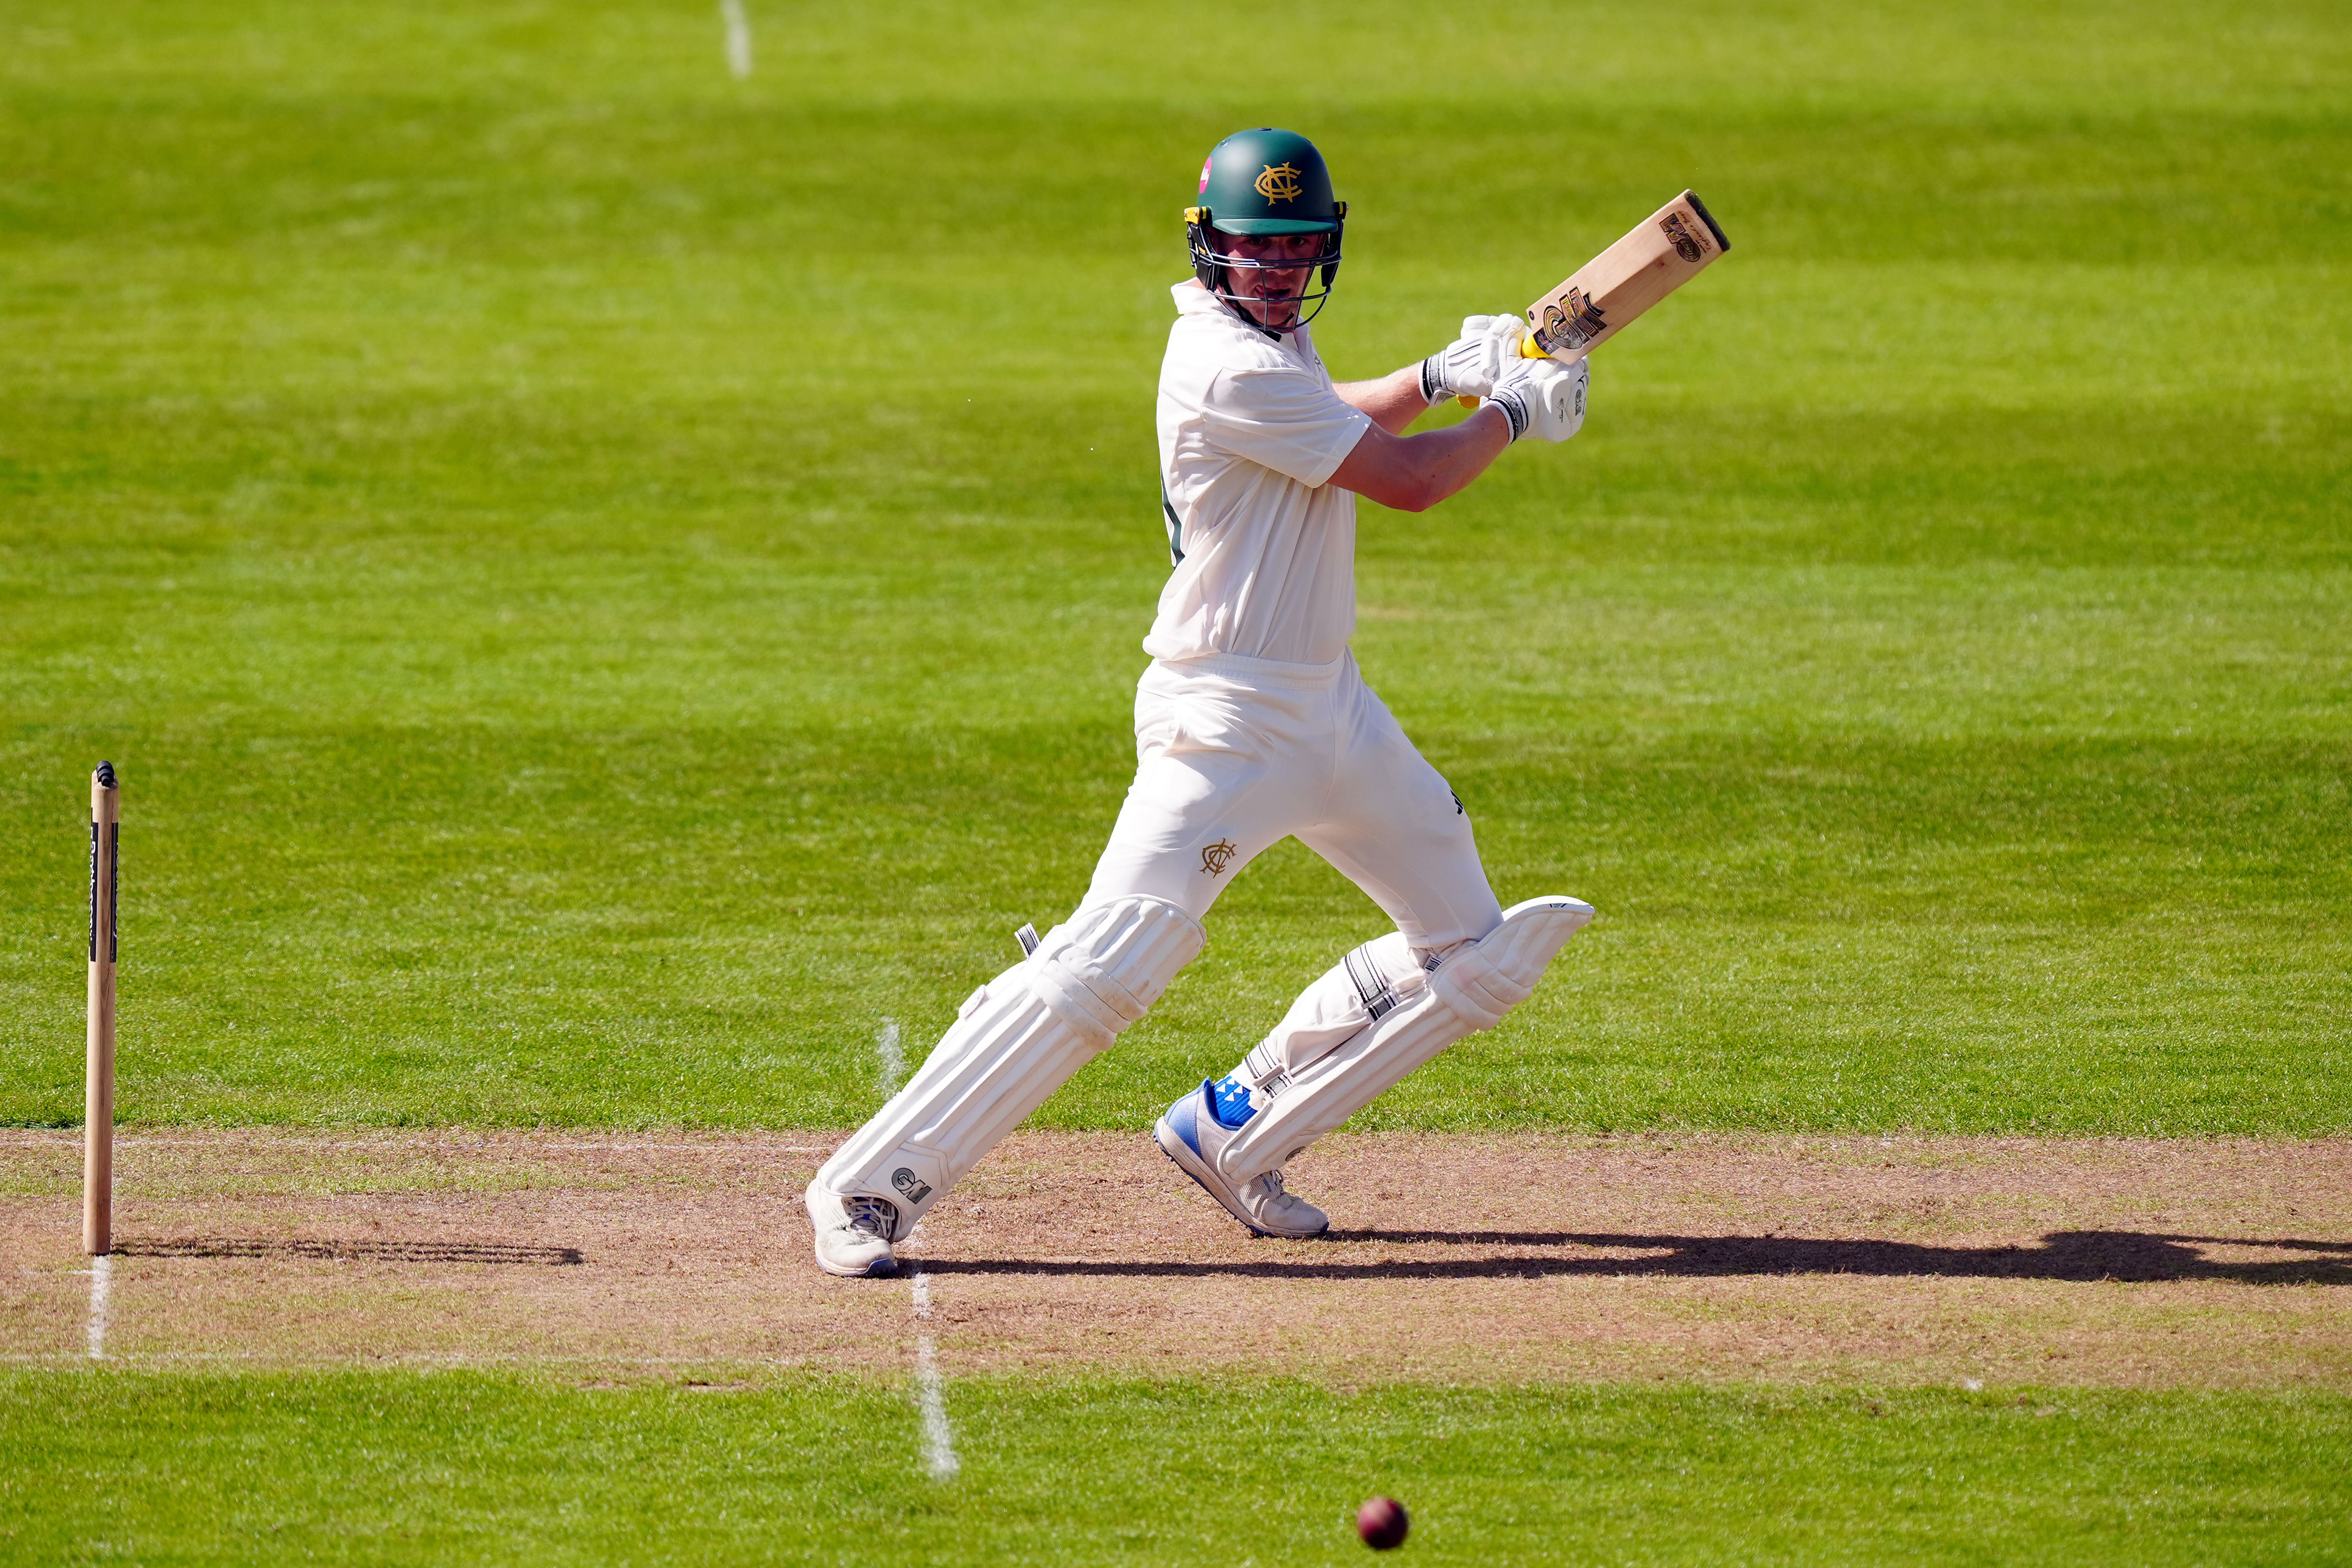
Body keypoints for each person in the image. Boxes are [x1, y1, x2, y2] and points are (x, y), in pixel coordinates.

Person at [806, 127, 1594, 1277]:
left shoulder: (1275, 342)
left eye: (1297, 249)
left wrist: (1443, 377)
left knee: (1475, 954)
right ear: (1210, 244)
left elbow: (1337, 418)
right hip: (1223, 718)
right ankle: (864, 1190)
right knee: (1117, 956)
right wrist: (1512, 415)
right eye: (1255, 249)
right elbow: (1414, 484)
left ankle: (1237, 1129)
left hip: (1336, 709)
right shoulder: (1223, 361)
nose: (1277, 271)